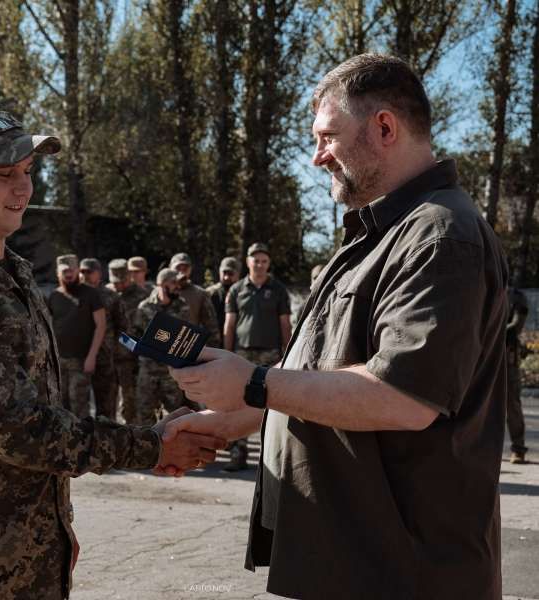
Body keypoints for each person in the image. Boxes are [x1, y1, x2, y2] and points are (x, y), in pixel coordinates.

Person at [165, 54, 508, 599]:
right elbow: (326, 371)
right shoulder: (381, 232)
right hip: (349, 559)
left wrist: (254, 382)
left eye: (328, 137)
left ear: (385, 128)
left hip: (402, 570)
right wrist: (233, 417)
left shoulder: (441, 236)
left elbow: (402, 398)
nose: (317, 156)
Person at [0, 107, 225, 600]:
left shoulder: (13, 273)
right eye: (4, 175)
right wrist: (149, 445)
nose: (23, 189)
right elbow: (16, 430)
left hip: (26, 551)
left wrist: (53, 529)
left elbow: (43, 411)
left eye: (27, 172)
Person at [221, 242, 291, 471]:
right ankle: (238, 453)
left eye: (264, 261)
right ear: (248, 262)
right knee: (238, 402)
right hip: (242, 353)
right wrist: (227, 355)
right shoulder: (236, 289)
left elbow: (285, 324)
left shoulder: (278, 289)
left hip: (271, 354)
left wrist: (288, 353)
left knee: (273, 403)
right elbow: (229, 325)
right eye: (255, 260)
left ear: (268, 263)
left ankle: (271, 456)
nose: (260, 265)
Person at [48, 254, 105, 417]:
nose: (69, 273)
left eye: (72, 270)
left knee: (79, 404)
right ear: (58, 273)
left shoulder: (90, 294)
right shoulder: (54, 296)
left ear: (78, 271)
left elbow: (101, 326)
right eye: (65, 270)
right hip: (60, 361)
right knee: (62, 404)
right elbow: (50, 326)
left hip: (81, 360)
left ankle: (85, 441)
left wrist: (92, 356)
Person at [133, 268, 193, 426]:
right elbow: (135, 334)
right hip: (148, 369)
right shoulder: (144, 307)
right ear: (162, 284)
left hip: (171, 372)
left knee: (175, 415)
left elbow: (186, 333)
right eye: (173, 283)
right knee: (144, 413)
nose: (177, 286)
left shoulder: (182, 306)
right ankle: (148, 448)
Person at [79, 257, 125, 419]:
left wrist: (116, 352)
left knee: (106, 405)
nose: (84, 275)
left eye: (89, 272)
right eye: (82, 271)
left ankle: (107, 441)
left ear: (98, 273)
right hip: (78, 358)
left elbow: (123, 327)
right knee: (78, 406)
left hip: (105, 357)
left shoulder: (110, 296)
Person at [106, 258, 149, 423]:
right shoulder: (106, 293)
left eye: (122, 281)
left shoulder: (142, 296)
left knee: (129, 403)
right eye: (115, 282)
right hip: (108, 357)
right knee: (108, 403)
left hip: (130, 360)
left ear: (129, 277)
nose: (119, 285)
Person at [169, 252, 221, 345]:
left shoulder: (200, 294)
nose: (181, 272)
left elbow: (211, 327)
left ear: (190, 269)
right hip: (163, 343)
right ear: (170, 268)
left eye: (185, 268)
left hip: (186, 345)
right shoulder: (160, 291)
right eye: (178, 268)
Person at [506, 286, 529, 464]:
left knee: (512, 405)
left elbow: (516, 326)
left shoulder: (516, 297)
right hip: (481, 356)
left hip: (507, 358)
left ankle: (518, 449)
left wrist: (490, 330)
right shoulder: (482, 288)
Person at [205, 256, 241, 337]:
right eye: (224, 273)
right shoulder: (210, 293)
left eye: (231, 274)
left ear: (238, 274)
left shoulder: (243, 293)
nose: (226, 277)